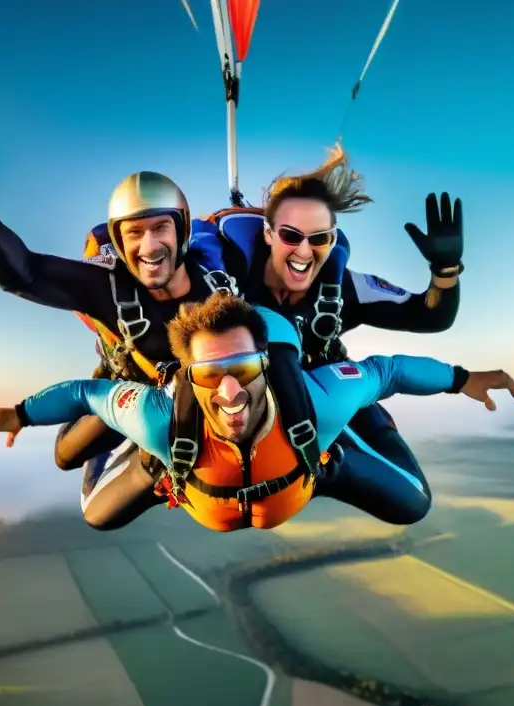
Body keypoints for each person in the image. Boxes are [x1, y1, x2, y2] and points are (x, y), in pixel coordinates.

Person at [0, 293, 514, 533]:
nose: (228, 392)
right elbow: (89, 394)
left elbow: (387, 371)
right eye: (208, 375)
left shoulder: (317, 404)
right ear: (188, 378)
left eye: (245, 371)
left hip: (310, 465)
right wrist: (20, 414)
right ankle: (147, 465)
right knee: (95, 514)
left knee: (414, 504)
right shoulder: (160, 420)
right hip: (180, 474)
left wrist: (462, 380)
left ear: (266, 366)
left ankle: (351, 445)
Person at [0, 141, 239, 513]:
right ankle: (137, 437)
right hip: (126, 388)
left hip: (202, 397)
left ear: (183, 231)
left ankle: (153, 456)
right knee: (65, 455)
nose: (149, 245)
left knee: (100, 513)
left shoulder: (220, 281)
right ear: (118, 239)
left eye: (161, 227)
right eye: (134, 233)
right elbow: (25, 274)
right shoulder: (108, 288)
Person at [188, 146, 463, 516]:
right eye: (290, 235)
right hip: (234, 401)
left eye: (319, 239)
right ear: (268, 234)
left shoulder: (339, 289)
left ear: (332, 242)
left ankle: (310, 472)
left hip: (321, 395)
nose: (304, 251)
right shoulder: (224, 279)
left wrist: (445, 273)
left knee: (412, 501)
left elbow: (430, 316)